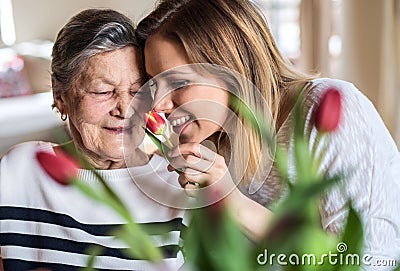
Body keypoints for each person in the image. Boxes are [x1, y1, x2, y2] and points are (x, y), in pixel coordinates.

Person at [135, 0, 400, 267]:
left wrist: (232, 203)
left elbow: (367, 259)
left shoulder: (324, 111)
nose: (159, 105)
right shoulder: (216, 139)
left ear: (232, 68)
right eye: (153, 84)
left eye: (179, 83)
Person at [0, 8, 188, 271]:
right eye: (103, 91)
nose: (125, 109)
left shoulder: (178, 184)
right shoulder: (19, 171)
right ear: (60, 95)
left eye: (138, 91)